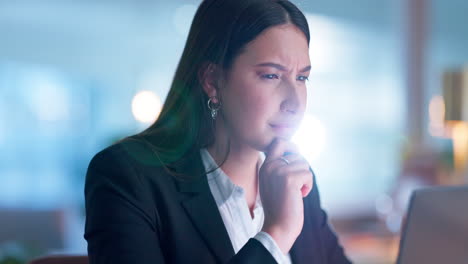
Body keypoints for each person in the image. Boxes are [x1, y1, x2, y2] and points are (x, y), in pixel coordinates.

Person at [84, 0, 352, 263]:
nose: (295, 102)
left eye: (301, 78)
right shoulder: (127, 177)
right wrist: (276, 234)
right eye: (271, 75)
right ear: (212, 80)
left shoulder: (294, 178)